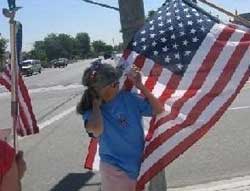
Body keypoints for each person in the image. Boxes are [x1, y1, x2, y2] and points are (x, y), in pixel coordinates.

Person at [77, 61, 164, 191]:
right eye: (115, 83)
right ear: (102, 89)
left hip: (137, 165)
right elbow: (96, 129)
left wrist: (141, 86)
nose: (119, 84)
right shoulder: (92, 112)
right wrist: (96, 104)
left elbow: (158, 110)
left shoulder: (128, 98)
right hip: (114, 169)